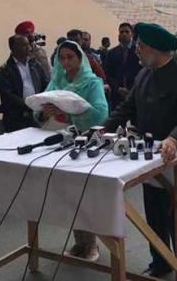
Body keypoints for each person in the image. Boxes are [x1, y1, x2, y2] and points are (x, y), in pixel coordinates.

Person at [103, 22, 177, 280]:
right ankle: (160, 263)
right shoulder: (143, 75)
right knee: (154, 215)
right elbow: (126, 107)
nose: (137, 50)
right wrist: (103, 128)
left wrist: (173, 139)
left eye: (141, 46)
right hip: (148, 159)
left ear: (156, 49)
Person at [41, 40, 108, 262]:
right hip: (61, 141)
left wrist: (71, 113)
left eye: (70, 57)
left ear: (80, 59)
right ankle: (79, 242)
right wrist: (44, 111)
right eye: (62, 58)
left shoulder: (92, 82)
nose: (66, 62)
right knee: (68, 194)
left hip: (86, 142)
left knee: (85, 193)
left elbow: (101, 112)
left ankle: (92, 244)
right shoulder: (56, 81)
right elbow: (40, 107)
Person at [0, 35, 49, 131]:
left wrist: (41, 103)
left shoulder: (35, 65)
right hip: (16, 118)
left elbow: (45, 85)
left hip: (37, 114)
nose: (29, 48)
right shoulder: (5, 70)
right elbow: (8, 95)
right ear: (13, 48)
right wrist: (28, 105)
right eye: (24, 45)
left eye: (28, 44)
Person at [104, 23, 141, 111]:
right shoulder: (111, 53)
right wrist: (118, 88)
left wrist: (132, 90)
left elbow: (142, 72)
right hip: (117, 96)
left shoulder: (139, 51)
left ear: (132, 34)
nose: (124, 34)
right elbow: (108, 74)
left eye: (127, 32)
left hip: (136, 94)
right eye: (121, 32)